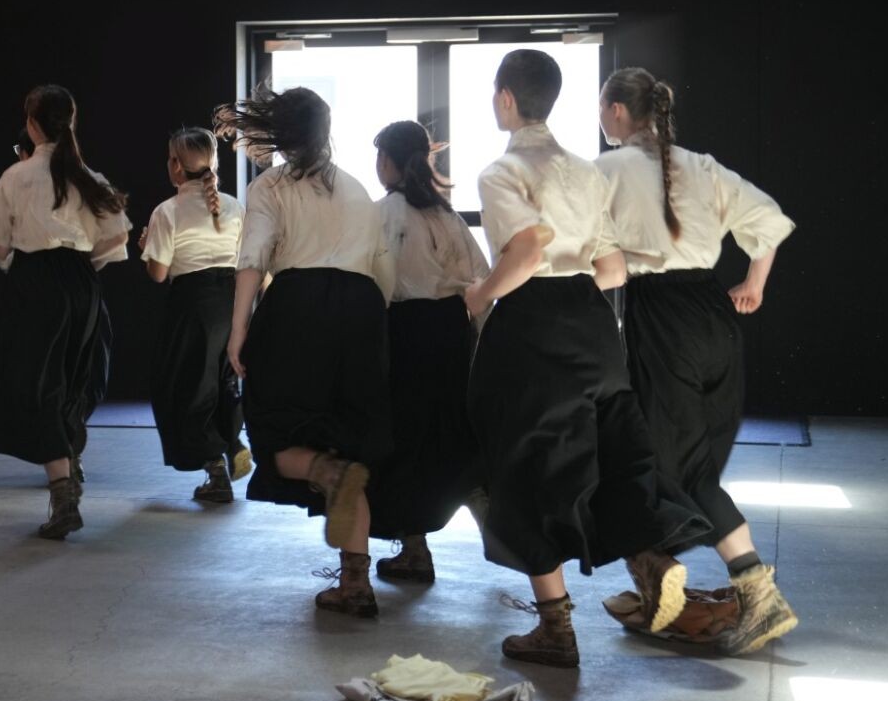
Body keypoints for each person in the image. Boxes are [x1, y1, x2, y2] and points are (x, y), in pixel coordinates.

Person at [461, 49, 709, 667]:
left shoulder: (500, 171)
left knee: (525, 469)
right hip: (594, 326)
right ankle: (653, 566)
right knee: (615, 454)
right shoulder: (584, 171)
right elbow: (613, 267)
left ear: (507, 98)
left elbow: (522, 251)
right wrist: (567, 290)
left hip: (532, 328)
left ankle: (554, 629)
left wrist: (481, 295)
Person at [598, 66, 799, 655]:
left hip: (660, 320)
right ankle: (670, 577)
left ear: (615, 112)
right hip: (714, 314)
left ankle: (747, 593)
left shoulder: (604, 170)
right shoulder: (703, 166)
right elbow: (770, 222)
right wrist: (755, 285)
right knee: (687, 466)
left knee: (661, 462)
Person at [216, 86, 394, 618]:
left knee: (273, 430)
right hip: (362, 308)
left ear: (282, 133)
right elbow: (381, 270)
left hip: (298, 304)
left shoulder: (270, 185)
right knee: (352, 439)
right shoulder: (359, 188)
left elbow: (253, 258)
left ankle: (324, 472)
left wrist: (238, 329)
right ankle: (356, 583)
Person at [0, 86, 130, 539]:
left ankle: (63, 495)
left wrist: (17, 264)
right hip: (82, 283)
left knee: (38, 382)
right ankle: (69, 465)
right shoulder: (87, 175)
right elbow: (117, 237)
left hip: (36, 282)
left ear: (31, 122)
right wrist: (84, 263)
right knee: (77, 376)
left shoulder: (17, 176)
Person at [367, 120, 489, 584]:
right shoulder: (447, 216)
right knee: (450, 434)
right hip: (450, 333)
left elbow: (375, 284)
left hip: (402, 332)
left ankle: (414, 549)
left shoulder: (383, 213)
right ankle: (485, 524)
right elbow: (480, 280)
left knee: (401, 441)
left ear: (388, 163)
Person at [139, 127, 249, 503]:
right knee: (222, 381)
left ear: (174, 166)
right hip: (232, 302)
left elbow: (158, 273)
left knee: (184, 386)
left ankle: (215, 469)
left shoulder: (167, 212)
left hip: (192, 304)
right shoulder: (234, 206)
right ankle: (232, 441)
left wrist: (147, 249)